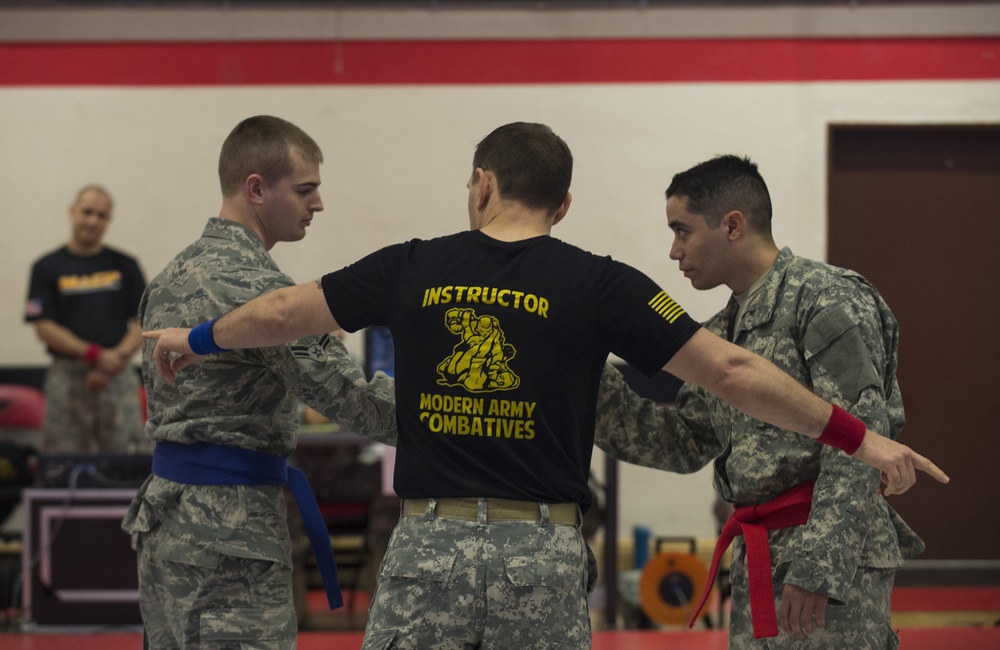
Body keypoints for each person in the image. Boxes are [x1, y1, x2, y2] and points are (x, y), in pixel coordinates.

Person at [144, 123, 946, 650]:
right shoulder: (605, 286)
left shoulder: (411, 264)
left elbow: (283, 311)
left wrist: (196, 335)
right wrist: (859, 436)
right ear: (563, 204)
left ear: (480, 184)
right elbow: (733, 376)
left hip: (427, 550)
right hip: (542, 555)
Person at [595, 154, 926, 648]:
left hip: (828, 559)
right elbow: (680, 442)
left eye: (682, 230)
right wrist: (583, 370)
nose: (673, 251)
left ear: (732, 225)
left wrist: (818, 569)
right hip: (760, 559)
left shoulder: (825, 298)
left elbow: (858, 443)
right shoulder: (721, 332)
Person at [121, 115, 397, 649]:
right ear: (256, 189)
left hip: (166, 522)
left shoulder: (170, 277)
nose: (317, 204)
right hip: (230, 533)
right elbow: (360, 406)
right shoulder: (260, 292)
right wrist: (463, 406)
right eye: (305, 189)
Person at [24, 184, 147, 454]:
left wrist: (114, 359)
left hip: (117, 375)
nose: (93, 221)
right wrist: (94, 354)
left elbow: (143, 322)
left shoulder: (125, 265)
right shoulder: (46, 267)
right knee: (63, 463)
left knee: (124, 462)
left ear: (109, 220)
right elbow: (43, 327)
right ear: (73, 212)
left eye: (101, 215)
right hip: (68, 378)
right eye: (87, 212)